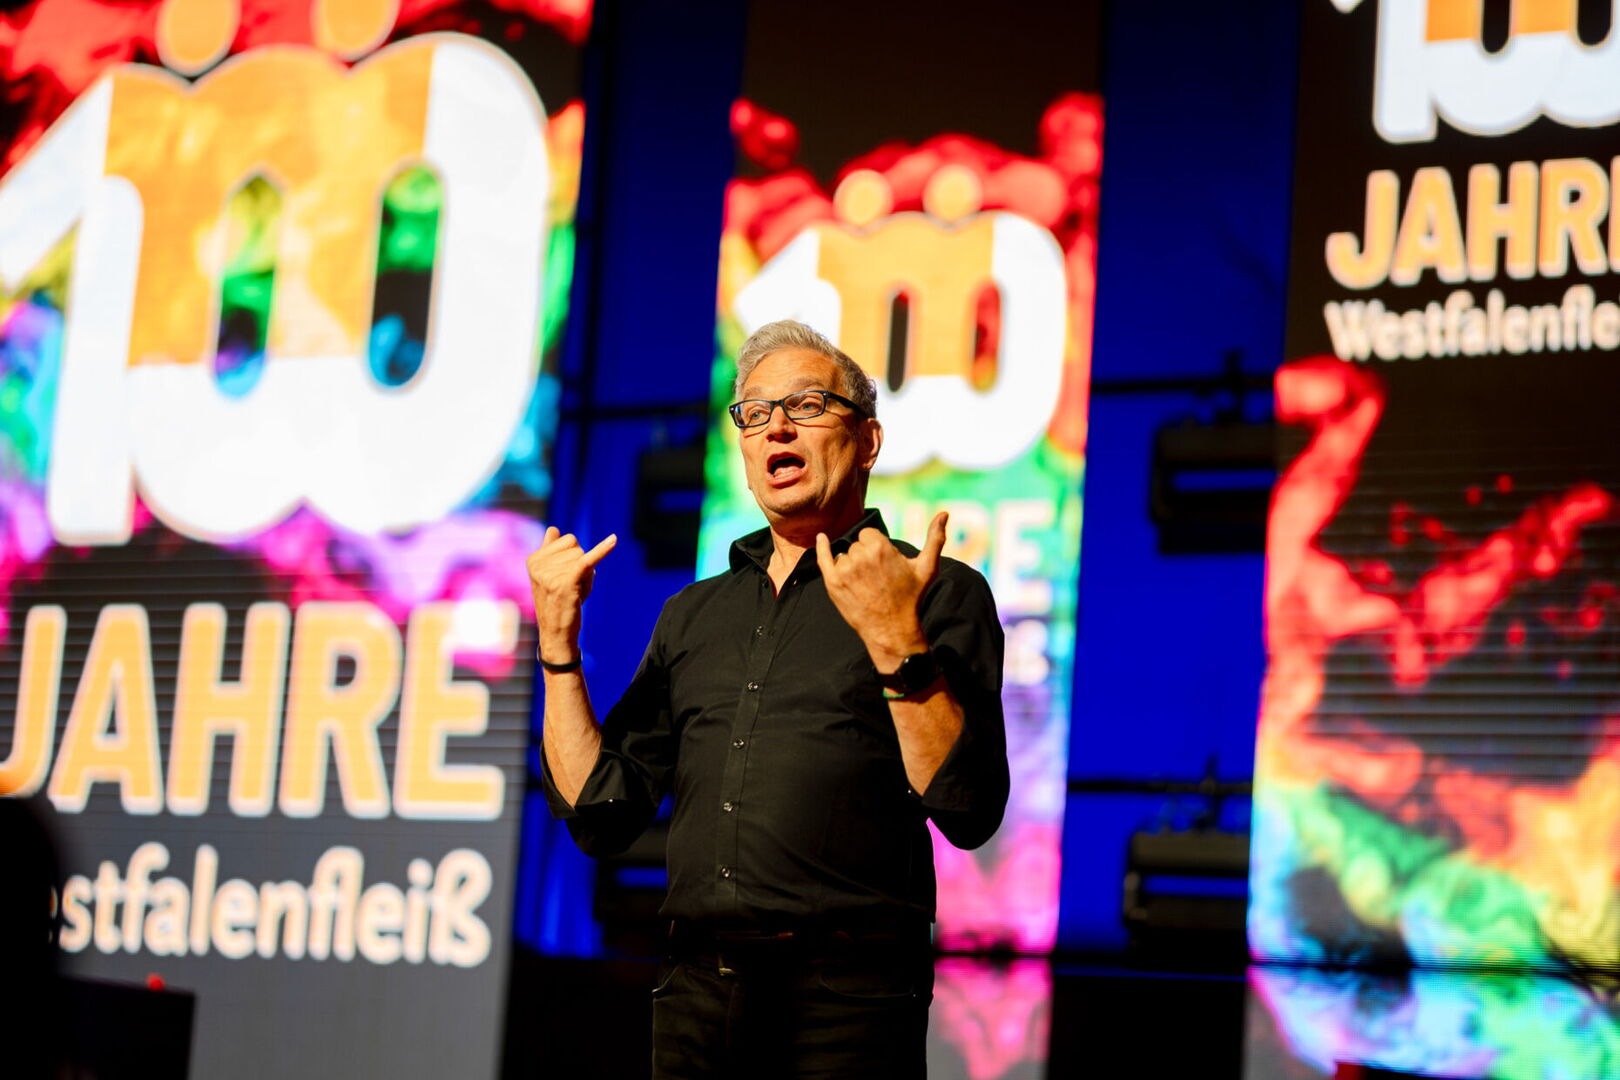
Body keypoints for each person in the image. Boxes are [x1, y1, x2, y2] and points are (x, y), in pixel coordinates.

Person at [528, 319, 1008, 1078]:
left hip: (847, 1002)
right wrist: (558, 647)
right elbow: (600, 811)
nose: (776, 427)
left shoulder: (934, 592)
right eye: (754, 414)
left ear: (869, 441)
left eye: (808, 405)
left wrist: (896, 641)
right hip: (694, 993)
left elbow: (968, 808)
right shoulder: (694, 614)